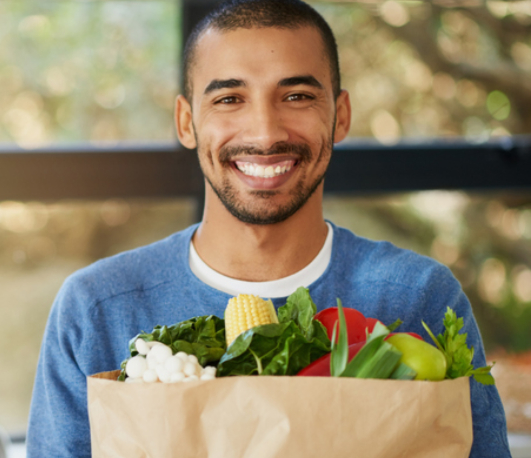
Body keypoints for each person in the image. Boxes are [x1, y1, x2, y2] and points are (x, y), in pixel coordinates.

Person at [26, 0, 511, 456]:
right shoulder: (96, 311)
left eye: (297, 95)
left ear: (340, 116)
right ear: (186, 121)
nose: (264, 132)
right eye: (230, 98)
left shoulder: (419, 298)